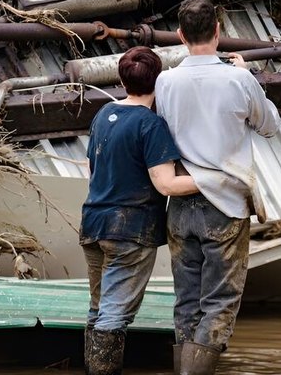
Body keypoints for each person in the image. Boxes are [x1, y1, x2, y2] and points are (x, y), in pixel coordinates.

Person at [155, 0, 281, 374]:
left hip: (180, 202)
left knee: (186, 300)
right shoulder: (239, 78)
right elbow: (269, 126)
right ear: (218, 31)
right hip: (224, 206)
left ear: (179, 35)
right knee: (220, 300)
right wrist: (248, 76)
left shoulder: (165, 81)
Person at [80, 46, 198, 375]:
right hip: (130, 232)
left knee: (98, 309)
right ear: (157, 81)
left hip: (93, 224)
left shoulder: (103, 114)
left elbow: (94, 170)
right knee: (114, 314)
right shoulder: (150, 124)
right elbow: (166, 184)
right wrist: (215, 181)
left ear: (120, 78)